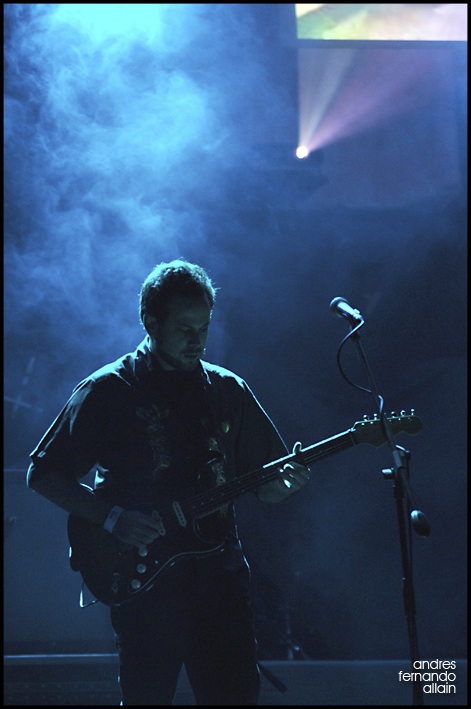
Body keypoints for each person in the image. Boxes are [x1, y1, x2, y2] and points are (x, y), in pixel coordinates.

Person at [26, 258, 310, 705]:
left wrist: (286, 484)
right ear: (150, 321)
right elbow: (43, 473)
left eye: (204, 327)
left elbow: (267, 487)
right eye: (184, 329)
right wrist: (112, 518)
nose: (197, 340)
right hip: (147, 585)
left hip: (220, 582)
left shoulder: (228, 390)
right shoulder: (108, 390)